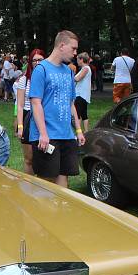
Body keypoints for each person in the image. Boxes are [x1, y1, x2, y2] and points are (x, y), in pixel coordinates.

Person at [29, 30, 86, 187]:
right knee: (46, 181)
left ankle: (59, 210)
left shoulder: (68, 71)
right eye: (73, 49)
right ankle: (40, 211)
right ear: (62, 45)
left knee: (63, 179)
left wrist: (78, 131)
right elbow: (36, 103)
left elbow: (70, 103)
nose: (75, 53)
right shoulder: (41, 69)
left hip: (66, 135)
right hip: (47, 136)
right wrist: (43, 133)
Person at [15, 48, 45, 175]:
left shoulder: (47, 77)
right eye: (34, 60)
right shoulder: (24, 80)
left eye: (40, 60)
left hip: (44, 117)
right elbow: (20, 105)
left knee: (44, 157)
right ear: (30, 62)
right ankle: (29, 187)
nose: (37, 63)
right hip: (28, 117)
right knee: (29, 159)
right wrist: (20, 126)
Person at [74, 52, 93, 132]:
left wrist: (69, 76)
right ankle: (86, 131)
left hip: (80, 95)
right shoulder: (86, 68)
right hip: (83, 95)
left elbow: (77, 79)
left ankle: (79, 132)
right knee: (83, 114)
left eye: (78, 59)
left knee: (77, 114)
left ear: (82, 59)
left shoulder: (85, 68)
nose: (77, 61)